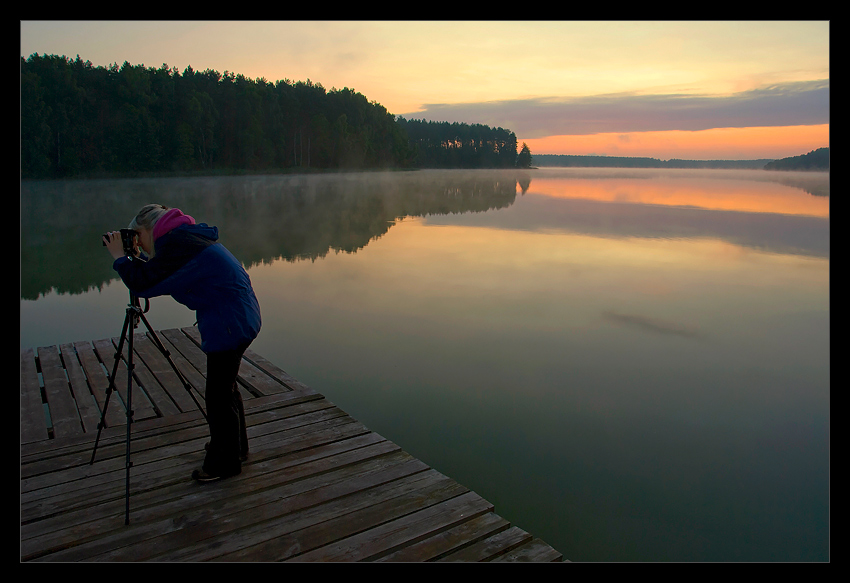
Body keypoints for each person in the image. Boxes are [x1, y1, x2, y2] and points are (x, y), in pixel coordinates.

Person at [103, 204, 261, 483]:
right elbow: (159, 274)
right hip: (237, 316)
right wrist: (135, 259)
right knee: (226, 388)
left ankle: (224, 463)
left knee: (218, 394)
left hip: (229, 323)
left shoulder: (178, 246)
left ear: (150, 228)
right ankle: (235, 450)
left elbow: (143, 284)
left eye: (138, 234)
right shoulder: (183, 239)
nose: (137, 241)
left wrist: (120, 259)